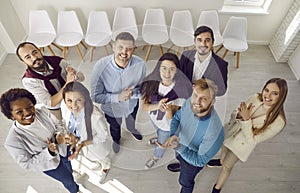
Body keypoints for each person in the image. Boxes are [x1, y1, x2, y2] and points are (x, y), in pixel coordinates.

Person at [208, 78, 288, 193]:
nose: (268, 95)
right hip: (231, 131)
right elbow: (235, 113)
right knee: (223, 146)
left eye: (275, 93)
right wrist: (239, 115)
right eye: (266, 90)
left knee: (227, 167)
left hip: (241, 145)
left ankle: (217, 187)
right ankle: (221, 160)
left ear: (281, 97)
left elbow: (251, 141)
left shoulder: (279, 122)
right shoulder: (255, 97)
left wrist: (246, 120)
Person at [167, 25, 228, 172]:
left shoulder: (221, 64)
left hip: (203, 106)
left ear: (212, 42)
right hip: (186, 101)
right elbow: (180, 78)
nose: (203, 44)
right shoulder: (186, 55)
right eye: (199, 40)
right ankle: (182, 160)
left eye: (207, 40)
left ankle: (196, 159)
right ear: (195, 42)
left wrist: (205, 88)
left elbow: (222, 89)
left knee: (198, 134)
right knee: (183, 130)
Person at [0, 88, 80, 193]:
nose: (28, 113)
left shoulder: (42, 110)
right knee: (67, 179)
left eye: (30, 107)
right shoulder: (12, 142)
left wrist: (58, 134)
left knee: (68, 163)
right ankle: (75, 190)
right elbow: (27, 164)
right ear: (11, 116)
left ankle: (70, 171)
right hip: (50, 164)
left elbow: (58, 124)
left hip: (62, 148)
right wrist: (49, 152)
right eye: (19, 112)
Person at [159, 78, 224, 193]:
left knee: (185, 182)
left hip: (192, 162)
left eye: (204, 99)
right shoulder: (191, 101)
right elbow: (178, 117)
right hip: (180, 146)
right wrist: (174, 136)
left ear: (213, 101)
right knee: (179, 158)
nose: (197, 102)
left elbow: (199, 161)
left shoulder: (214, 131)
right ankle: (181, 165)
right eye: (195, 95)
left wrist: (178, 146)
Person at [90, 32, 146, 153]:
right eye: (120, 47)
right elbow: (95, 96)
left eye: (129, 49)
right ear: (113, 47)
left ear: (133, 49)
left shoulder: (140, 64)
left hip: (132, 105)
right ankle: (116, 140)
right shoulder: (100, 66)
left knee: (131, 121)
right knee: (115, 127)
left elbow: (143, 89)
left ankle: (132, 129)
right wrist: (117, 97)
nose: (124, 52)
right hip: (112, 109)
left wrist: (133, 94)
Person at [140, 53, 192, 169]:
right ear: (158, 68)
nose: (167, 73)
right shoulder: (152, 83)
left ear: (177, 71)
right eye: (164, 68)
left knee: (162, 143)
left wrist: (168, 110)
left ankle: (156, 157)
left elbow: (172, 119)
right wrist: (157, 106)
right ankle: (158, 137)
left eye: (172, 69)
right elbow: (144, 106)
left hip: (167, 126)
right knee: (158, 131)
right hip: (155, 119)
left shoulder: (181, 90)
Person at [16, 42, 85, 120]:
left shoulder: (57, 61)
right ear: (23, 62)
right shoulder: (29, 81)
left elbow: (82, 77)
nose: (34, 58)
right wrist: (68, 83)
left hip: (75, 98)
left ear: (39, 50)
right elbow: (51, 102)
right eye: (28, 57)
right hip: (57, 109)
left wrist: (75, 76)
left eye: (35, 52)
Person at [61, 81, 111, 183]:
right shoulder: (65, 107)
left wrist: (83, 143)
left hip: (94, 146)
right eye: (69, 100)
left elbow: (103, 136)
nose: (73, 105)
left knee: (102, 158)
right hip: (80, 144)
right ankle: (96, 162)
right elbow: (67, 124)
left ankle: (105, 167)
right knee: (89, 157)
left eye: (78, 100)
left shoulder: (95, 117)